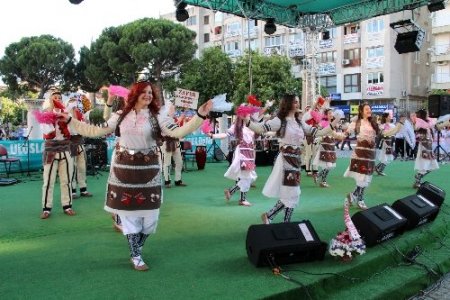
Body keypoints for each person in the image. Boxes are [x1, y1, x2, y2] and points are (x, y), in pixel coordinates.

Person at [57, 81, 212, 271]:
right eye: (144, 92)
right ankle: (135, 254)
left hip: (149, 171)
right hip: (123, 169)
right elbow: (96, 131)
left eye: (150, 93)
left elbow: (178, 131)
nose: (148, 95)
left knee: (151, 218)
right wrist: (70, 121)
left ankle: (135, 247)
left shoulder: (157, 117)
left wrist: (200, 115)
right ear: (135, 94)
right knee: (130, 217)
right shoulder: (120, 116)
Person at [245, 94, 332, 224]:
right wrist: (247, 120)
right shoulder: (280, 120)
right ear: (288, 103)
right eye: (295, 102)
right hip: (285, 160)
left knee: (292, 193)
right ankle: (281, 221)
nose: (298, 104)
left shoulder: (299, 121)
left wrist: (334, 124)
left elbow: (316, 132)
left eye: (298, 101)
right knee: (292, 192)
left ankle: (271, 216)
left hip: (296, 161)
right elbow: (260, 128)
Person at [344, 103, 404, 210]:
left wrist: (398, 127)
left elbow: (385, 133)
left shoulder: (374, 123)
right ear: (361, 111)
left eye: (370, 109)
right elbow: (346, 133)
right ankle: (360, 199)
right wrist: (331, 133)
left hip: (371, 154)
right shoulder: (356, 122)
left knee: (366, 177)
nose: (369, 110)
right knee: (363, 177)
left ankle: (352, 195)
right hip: (360, 154)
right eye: (367, 109)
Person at [39, 90, 76, 219]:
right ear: (50, 99)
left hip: (65, 149)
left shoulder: (66, 114)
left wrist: (70, 113)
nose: (57, 99)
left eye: (59, 97)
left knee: (66, 180)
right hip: (51, 150)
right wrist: (50, 113)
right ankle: (46, 208)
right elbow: (47, 131)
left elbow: (73, 130)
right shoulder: (45, 114)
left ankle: (67, 206)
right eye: (54, 97)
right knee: (48, 181)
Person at [210, 113, 257, 206]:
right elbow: (226, 134)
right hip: (242, 153)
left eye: (248, 114)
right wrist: (213, 136)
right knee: (247, 176)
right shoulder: (236, 127)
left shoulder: (251, 126)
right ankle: (241, 199)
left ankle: (232, 192)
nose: (248, 115)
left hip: (250, 153)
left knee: (247, 177)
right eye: (245, 113)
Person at [411, 110, 450, 188]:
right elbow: (416, 129)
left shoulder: (430, 123)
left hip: (429, 147)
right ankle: (418, 179)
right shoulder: (419, 124)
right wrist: (416, 121)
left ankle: (418, 178)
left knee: (432, 166)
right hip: (424, 147)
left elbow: (438, 127)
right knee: (426, 164)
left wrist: (447, 122)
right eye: (427, 113)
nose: (429, 114)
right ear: (423, 115)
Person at [66, 95, 93, 198]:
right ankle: (72, 191)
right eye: (72, 102)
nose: (74, 104)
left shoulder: (79, 114)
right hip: (70, 143)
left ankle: (83, 189)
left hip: (80, 142)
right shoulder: (66, 115)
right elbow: (70, 130)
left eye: (75, 102)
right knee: (72, 167)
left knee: (82, 167)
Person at [312, 109, 345, 187]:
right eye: (329, 113)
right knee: (329, 165)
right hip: (325, 145)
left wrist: (341, 134)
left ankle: (319, 177)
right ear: (326, 115)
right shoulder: (323, 123)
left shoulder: (332, 124)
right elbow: (318, 131)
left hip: (331, 145)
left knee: (329, 165)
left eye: (332, 113)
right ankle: (322, 180)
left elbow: (335, 134)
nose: (331, 114)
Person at [162, 106, 187, 188]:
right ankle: (167, 181)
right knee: (167, 163)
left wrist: (184, 112)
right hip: (167, 142)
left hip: (176, 142)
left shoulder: (174, 119)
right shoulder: (163, 120)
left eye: (173, 109)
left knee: (179, 162)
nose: (173, 110)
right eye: (171, 109)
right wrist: (182, 116)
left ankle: (178, 180)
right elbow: (173, 128)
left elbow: (179, 128)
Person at [374, 112, 395, 176]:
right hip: (385, 143)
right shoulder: (382, 126)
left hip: (389, 142)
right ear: (386, 117)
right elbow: (381, 135)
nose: (390, 117)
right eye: (389, 116)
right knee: (387, 157)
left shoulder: (392, 125)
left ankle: (377, 168)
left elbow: (394, 133)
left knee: (387, 157)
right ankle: (379, 170)